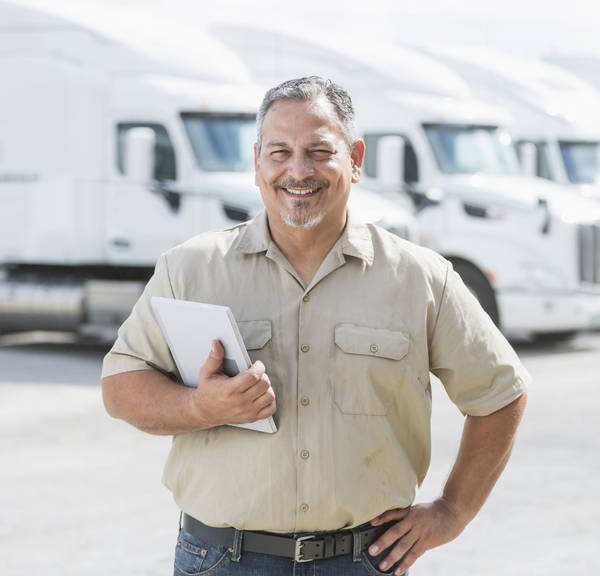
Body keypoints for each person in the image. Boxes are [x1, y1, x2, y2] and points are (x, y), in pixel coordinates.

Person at [101, 76, 529, 576]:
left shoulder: (420, 278)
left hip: (363, 561)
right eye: (279, 151)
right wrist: (199, 406)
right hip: (223, 561)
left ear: (355, 159)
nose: (297, 170)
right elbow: (121, 387)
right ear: (257, 160)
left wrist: (453, 511)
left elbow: (501, 392)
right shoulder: (190, 269)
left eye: (319, 151)